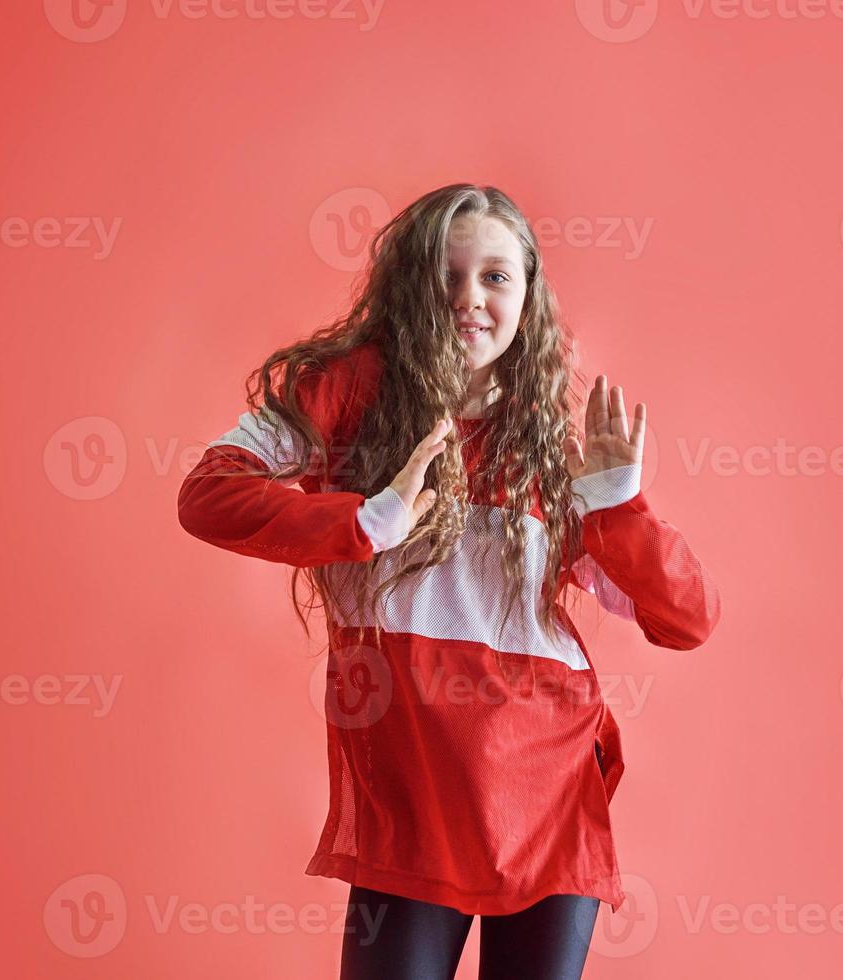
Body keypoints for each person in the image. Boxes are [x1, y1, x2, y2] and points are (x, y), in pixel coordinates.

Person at [177, 183, 721, 979]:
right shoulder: (345, 391)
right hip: (414, 795)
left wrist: (618, 506)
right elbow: (209, 493)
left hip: (549, 792)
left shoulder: (547, 446)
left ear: (527, 296)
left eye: (496, 277)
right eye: (448, 275)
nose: (470, 298)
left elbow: (687, 620)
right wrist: (363, 522)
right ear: (410, 285)